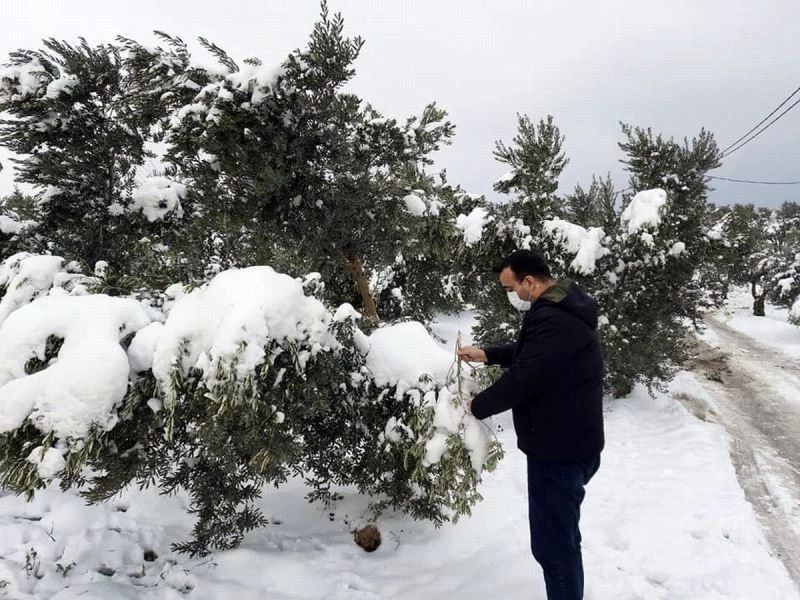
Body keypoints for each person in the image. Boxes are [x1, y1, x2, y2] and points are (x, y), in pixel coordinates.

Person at [458, 249, 604, 600]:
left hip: (559, 454)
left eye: (511, 288)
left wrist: (477, 406)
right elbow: (535, 353)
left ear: (529, 281)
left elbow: (527, 377)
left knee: (553, 547)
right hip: (571, 444)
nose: (511, 295)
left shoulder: (555, 318)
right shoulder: (560, 308)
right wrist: (489, 354)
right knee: (564, 539)